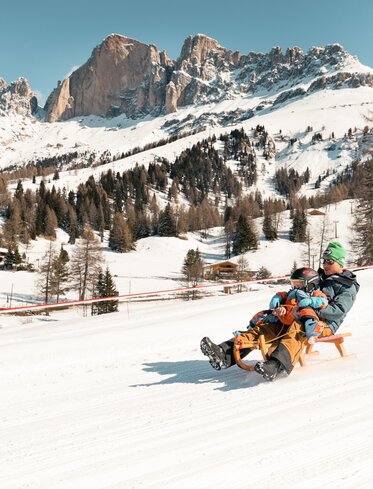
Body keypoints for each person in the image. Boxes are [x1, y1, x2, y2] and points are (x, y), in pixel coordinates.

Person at [200, 241, 359, 382]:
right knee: (268, 325)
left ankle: (277, 365)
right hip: (298, 314)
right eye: (324, 260)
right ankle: (223, 353)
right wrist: (285, 306)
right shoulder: (319, 277)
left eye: (329, 261)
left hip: (323, 324)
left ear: (340, 262)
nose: (325, 264)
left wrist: (310, 307)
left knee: (298, 327)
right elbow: (300, 292)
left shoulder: (347, 286)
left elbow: (337, 311)